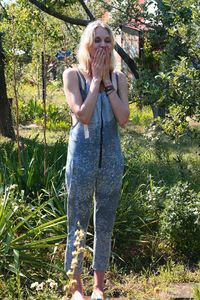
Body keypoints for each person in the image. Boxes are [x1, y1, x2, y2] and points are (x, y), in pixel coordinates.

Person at [63, 19, 130, 300]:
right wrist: (94, 82)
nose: (103, 45)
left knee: (105, 222)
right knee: (77, 221)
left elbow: (124, 119)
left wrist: (107, 83)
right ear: (87, 45)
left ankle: (99, 286)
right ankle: (77, 288)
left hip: (111, 159)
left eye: (107, 41)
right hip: (82, 158)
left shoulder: (119, 79)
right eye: (97, 40)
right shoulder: (72, 75)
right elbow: (84, 115)